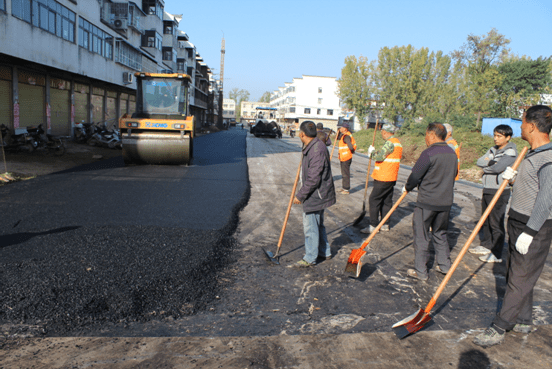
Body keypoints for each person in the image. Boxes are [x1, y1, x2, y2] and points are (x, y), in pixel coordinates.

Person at [473, 105, 552, 348]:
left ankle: (499, 326)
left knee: (519, 277)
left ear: (532, 126)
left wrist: (529, 232)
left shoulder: (549, 159)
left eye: (522, 122)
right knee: (517, 274)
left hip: (534, 227)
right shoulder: (532, 153)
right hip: (518, 221)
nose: (520, 126)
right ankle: (523, 320)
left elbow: (546, 199)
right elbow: (532, 188)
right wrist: (514, 179)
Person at [402, 123, 458, 281]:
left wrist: (407, 187)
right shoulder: (452, 153)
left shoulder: (428, 153)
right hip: (445, 202)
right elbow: (454, 174)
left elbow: (415, 175)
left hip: (427, 202)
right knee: (440, 233)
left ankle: (421, 272)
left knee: (422, 236)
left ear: (432, 135)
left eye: (426, 135)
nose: (425, 138)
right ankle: (445, 266)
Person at [470, 125, 517, 263]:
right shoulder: (492, 149)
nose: (496, 138)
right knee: (486, 219)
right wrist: (491, 163)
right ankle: (486, 245)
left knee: (496, 221)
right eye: (495, 135)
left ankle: (496, 253)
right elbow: (479, 161)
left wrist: (487, 165)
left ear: (508, 137)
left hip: (500, 190)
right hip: (488, 188)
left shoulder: (510, 152)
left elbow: (498, 168)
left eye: (499, 136)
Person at [293, 121, 336, 267]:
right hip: (319, 192)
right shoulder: (313, 145)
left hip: (316, 193)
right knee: (318, 224)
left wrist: (301, 195)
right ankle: (325, 252)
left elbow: (313, 178)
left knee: (311, 226)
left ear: (302, 134)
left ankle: (310, 257)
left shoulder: (316, 149)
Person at [361, 123, 403, 233]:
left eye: (382, 132)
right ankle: (385, 224)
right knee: (386, 201)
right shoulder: (397, 143)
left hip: (383, 177)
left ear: (385, 132)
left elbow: (380, 157)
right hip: (392, 177)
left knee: (374, 199)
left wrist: (371, 153)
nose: (382, 134)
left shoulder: (390, 143)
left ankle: (373, 225)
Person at [337, 121, 357, 194]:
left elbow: (350, 146)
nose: (340, 129)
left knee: (345, 173)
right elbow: (338, 138)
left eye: (341, 128)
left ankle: (346, 189)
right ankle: (343, 187)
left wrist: (351, 151)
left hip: (346, 157)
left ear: (345, 129)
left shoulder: (347, 136)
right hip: (344, 157)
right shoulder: (344, 135)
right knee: (343, 173)